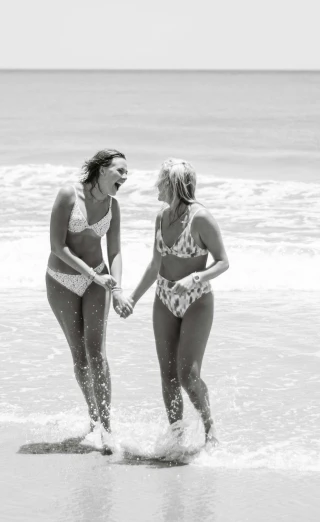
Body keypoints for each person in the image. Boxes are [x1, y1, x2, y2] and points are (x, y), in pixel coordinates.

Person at [121, 158, 229, 446]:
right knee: (167, 375)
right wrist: (132, 298)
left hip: (196, 301)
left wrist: (195, 279)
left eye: (160, 180)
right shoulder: (161, 217)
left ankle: (210, 431)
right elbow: (155, 263)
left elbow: (223, 262)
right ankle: (177, 439)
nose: (156, 185)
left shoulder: (201, 218)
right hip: (164, 298)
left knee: (187, 376)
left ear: (172, 184)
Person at [45, 149, 131, 454]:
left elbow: (116, 252)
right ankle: (93, 419)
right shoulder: (69, 195)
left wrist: (117, 289)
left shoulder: (113, 206)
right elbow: (57, 247)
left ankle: (106, 428)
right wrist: (92, 277)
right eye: (120, 170)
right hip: (62, 280)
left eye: (126, 173)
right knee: (79, 355)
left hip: (98, 279)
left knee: (98, 353)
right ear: (101, 169)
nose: (124, 176)